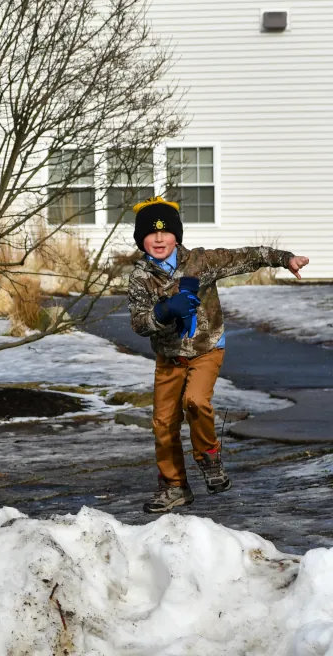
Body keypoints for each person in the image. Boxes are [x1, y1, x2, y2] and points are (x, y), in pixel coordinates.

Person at [127, 197, 309, 514]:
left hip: (206, 349)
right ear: (141, 239)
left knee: (195, 401)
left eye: (166, 233)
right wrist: (165, 310)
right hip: (169, 357)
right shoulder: (140, 278)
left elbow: (247, 257)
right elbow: (140, 324)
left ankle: (209, 457)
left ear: (176, 236)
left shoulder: (201, 262)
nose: (159, 239)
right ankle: (174, 487)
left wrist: (285, 258)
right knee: (163, 424)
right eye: (151, 234)